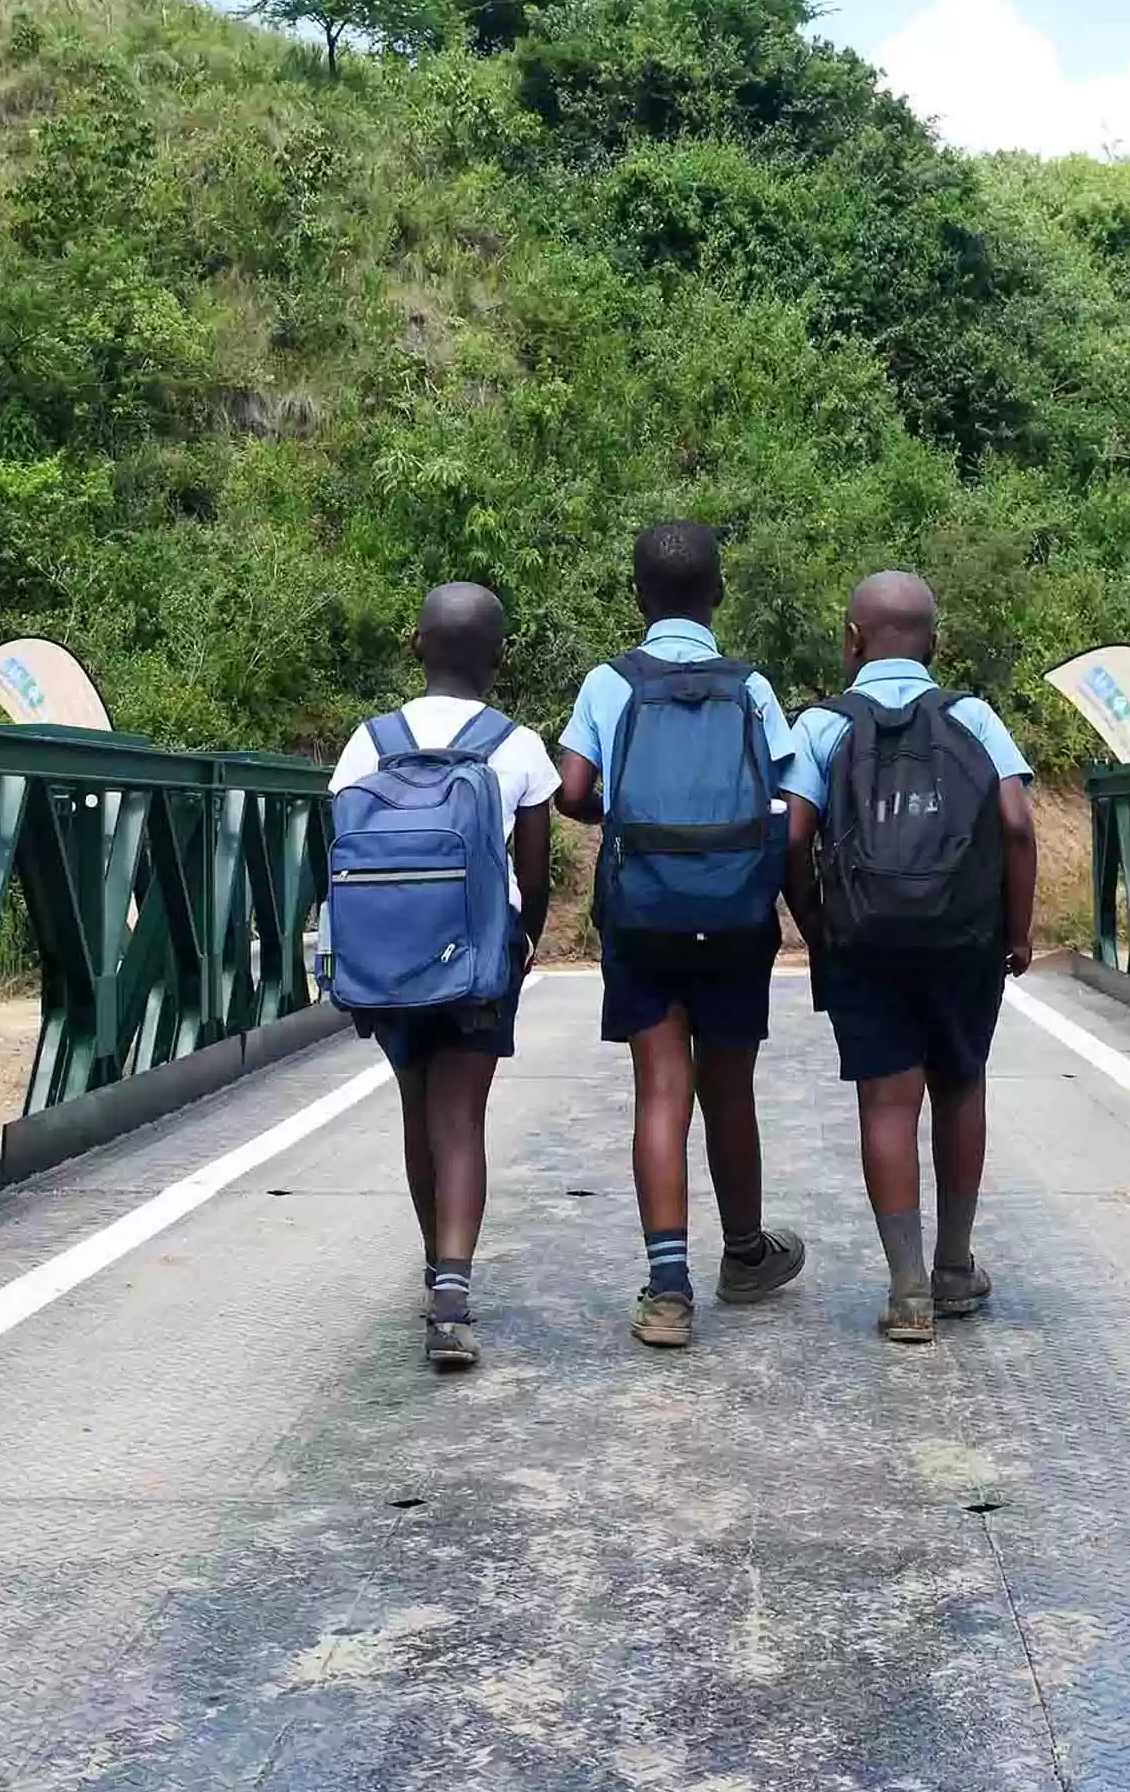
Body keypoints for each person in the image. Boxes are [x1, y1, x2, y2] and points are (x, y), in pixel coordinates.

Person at [555, 521, 805, 1350]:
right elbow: (790, 789)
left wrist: (619, 816)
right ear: (719, 593)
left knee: (661, 1087)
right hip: (734, 910)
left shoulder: (608, 681)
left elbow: (572, 788)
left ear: (637, 596)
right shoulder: (752, 687)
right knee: (728, 1086)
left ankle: (668, 1291)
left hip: (644, 908)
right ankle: (743, 1256)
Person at [782, 570, 1038, 1346]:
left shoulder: (824, 726)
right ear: (935, 640)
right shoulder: (974, 717)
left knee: (886, 1106)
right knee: (961, 1086)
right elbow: (1019, 825)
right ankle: (956, 1266)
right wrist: (1017, 932)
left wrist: (819, 929)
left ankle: (908, 1292)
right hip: (964, 938)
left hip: (865, 940)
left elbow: (791, 836)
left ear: (852, 640)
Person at [329, 582, 556, 1372]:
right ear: (499, 657)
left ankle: (435, 1272)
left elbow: (338, 852)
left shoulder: (369, 740)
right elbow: (536, 874)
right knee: (461, 1119)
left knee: (418, 1111)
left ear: (416, 645)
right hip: (476, 965)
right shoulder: (516, 745)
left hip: (388, 960)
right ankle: (453, 1298)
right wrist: (518, 953)